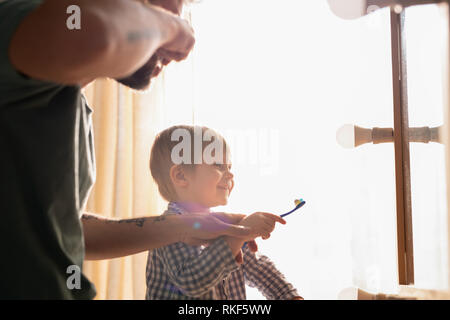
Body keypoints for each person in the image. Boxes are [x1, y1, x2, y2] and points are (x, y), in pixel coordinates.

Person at [0, 0, 261, 299]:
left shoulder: (71, 105)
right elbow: (95, 32)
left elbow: (70, 231)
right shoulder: (17, 21)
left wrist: (182, 226)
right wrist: (171, 27)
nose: (176, 51)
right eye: (158, 13)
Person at [145, 125, 303, 300]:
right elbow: (192, 281)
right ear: (181, 176)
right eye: (218, 165)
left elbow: (260, 269)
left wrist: (289, 296)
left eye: (229, 166)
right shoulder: (167, 230)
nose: (230, 174)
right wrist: (238, 236)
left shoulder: (227, 226)